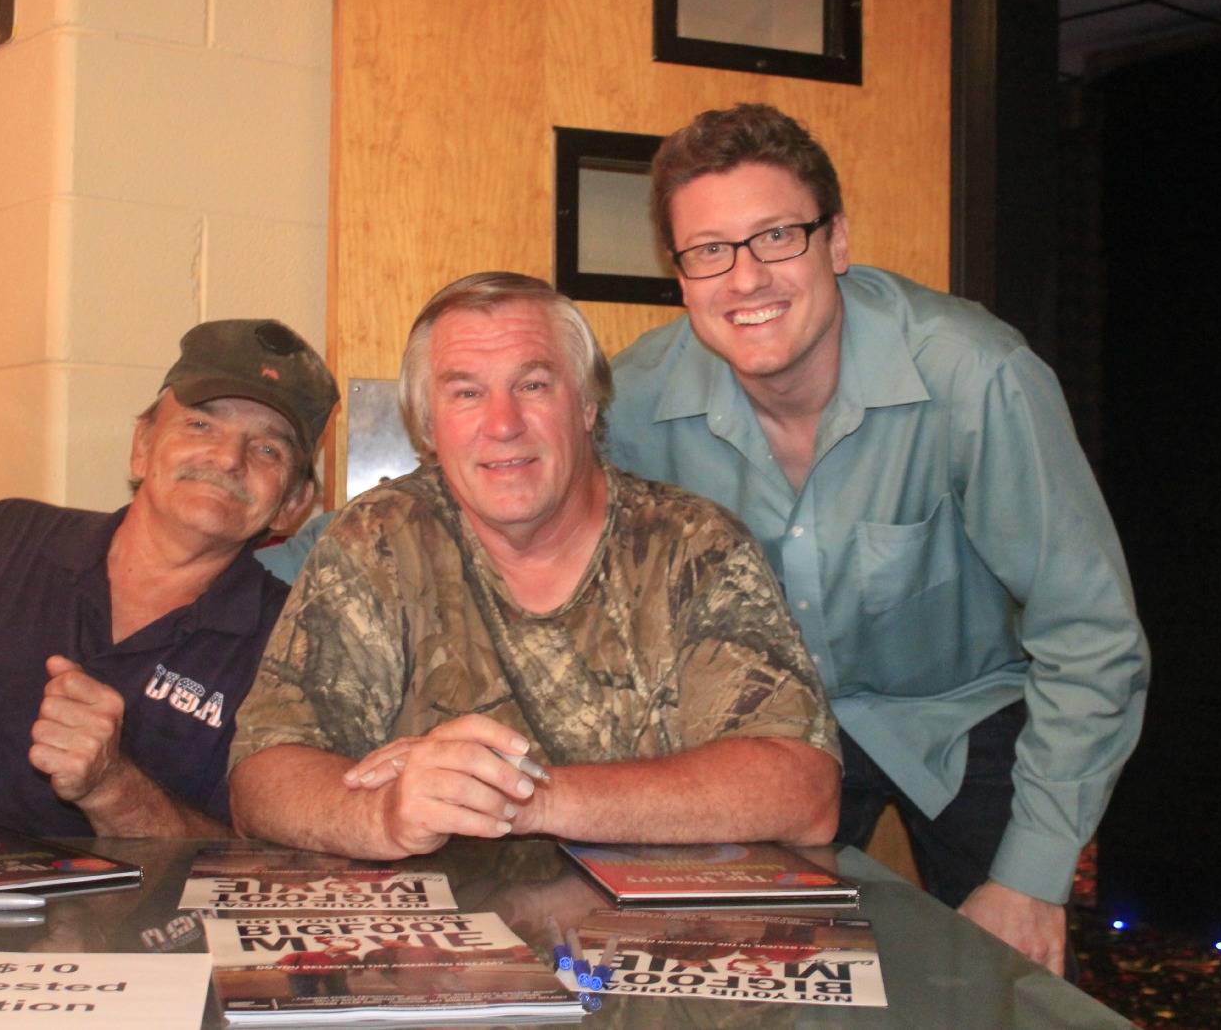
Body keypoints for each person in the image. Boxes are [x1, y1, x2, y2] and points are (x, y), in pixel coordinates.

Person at [605, 103, 1149, 974]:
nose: (745, 279)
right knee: (723, 978)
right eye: (709, 250)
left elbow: (1091, 635)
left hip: (963, 707)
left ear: (837, 243)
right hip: (767, 725)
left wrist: (1034, 880)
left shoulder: (976, 377)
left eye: (777, 235)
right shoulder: (633, 404)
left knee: (1010, 981)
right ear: (680, 274)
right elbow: (504, 506)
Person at [227, 272, 840, 861]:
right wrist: (385, 816)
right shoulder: (378, 539)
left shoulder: (693, 547)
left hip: (655, 951)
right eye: (466, 393)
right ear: (428, 428)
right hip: (440, 954)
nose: (502, 425)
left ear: (587, 408)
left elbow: (802, 792)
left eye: (534, 386)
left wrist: (520, 798)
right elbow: (262, 779)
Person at [0, 320, 338, 840]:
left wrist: (112, 786)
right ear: (142, 445)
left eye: (268, 449)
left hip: (133, 926)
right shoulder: (1, 539)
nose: (227, 458)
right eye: (200, 425)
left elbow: (256, 866)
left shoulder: (295, 648)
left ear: (292, 505)